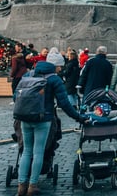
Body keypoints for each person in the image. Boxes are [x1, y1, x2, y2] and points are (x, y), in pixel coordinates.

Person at [15, 50, 85, 196]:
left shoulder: (29, 74)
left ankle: (21, 185)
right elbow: (64, 104)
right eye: (60, 66)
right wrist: (78, 117)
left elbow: (16, 96)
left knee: (26, 151)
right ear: (56, 65)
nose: (61, 69)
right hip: (43, 118)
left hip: (25, 118)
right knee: (38, 151)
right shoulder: (54, 79)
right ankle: (32, 185)